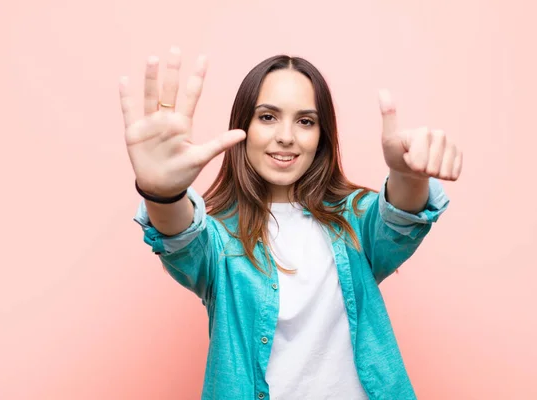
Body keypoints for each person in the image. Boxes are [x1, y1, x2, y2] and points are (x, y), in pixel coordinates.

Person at [118, 45, 462, 400]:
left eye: (306, 121)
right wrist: (161, 192)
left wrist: (406, 173)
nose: (286, 136)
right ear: (244, 127)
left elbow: (399, 218)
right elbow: (180, 236)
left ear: (321, 136)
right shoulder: (218, 240)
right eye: (267, 116)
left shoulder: (355, 220)